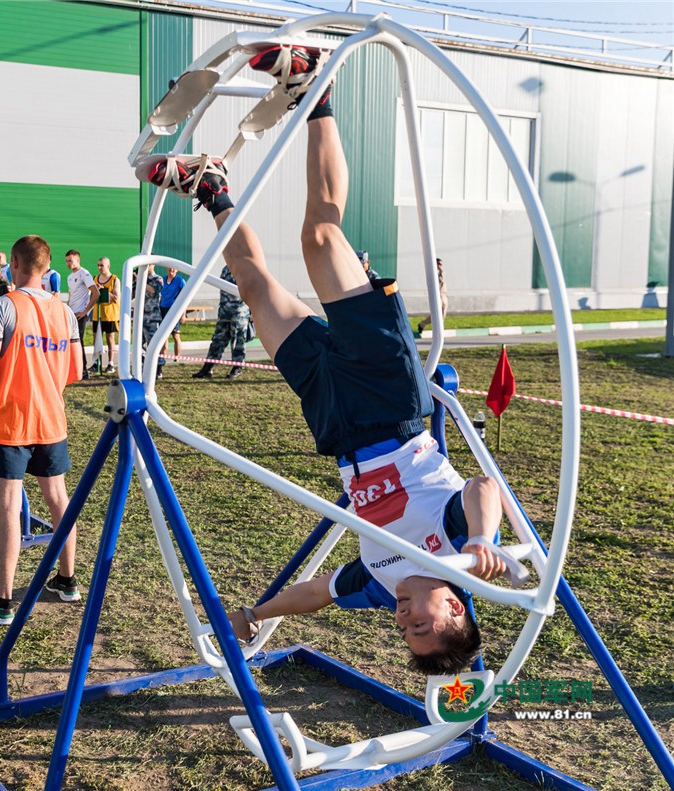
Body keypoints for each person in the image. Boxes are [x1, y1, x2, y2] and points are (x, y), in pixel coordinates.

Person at [141, 45, 509, 674]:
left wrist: (256, 615)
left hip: (337, 426)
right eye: (422, 624)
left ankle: (212, 190)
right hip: (392, 405)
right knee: (319, 237)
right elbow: (483, 488)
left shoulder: (378, 586)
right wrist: (479, 542)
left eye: (406, 633)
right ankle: (316, 89)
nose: (406, 620)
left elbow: (316, 594)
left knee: (256, 295)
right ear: (456, 609)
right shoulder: (461, 554)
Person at [0, 235, 83, 624]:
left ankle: (1, 603)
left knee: (9, 510)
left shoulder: (1, 306)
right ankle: (67, 581)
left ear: (13, 263)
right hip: (51, 419)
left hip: (9, 423)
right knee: (58, 500)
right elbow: (77, 372)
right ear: (48, 267)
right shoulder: (64, 312)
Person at [191, 263, 250, 380]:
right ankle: (208, 367)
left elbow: (250, 290)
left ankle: (237, 367)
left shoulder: (245, 268)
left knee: (238, 341)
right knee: (217, 340)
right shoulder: (226, 269)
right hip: (224, 312)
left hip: (239, 312)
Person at [64, 249, 98, 378]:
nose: (68, 263)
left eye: (71, 261)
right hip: (72, 314)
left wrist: (85, 311)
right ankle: (73, 369)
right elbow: (71, 294)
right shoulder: (70, 276)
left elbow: (96, 293)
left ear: (78, 260)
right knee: (70, 341)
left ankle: (83, 370)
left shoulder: (84, 273)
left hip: (80, 314)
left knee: (78, 342)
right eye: (67, 261)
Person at [91, 257, 120, 374]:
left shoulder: (114, 280)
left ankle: (110, 363)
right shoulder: (95, 278)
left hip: (110, 314)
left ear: (108, 266)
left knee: (110, 338)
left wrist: (105, 291)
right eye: (98, 265)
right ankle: (96, 363)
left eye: (102, 265)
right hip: (97, 313)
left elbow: (117, 298)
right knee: (96, 338)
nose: (99, 267)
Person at [159, 266, 187, 362]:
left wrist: (183, 314)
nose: (172, 270)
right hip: (162, 309)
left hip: (174, 310)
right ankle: (163, 357)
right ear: (166, 269)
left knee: (175, 335)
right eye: (170, 268)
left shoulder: (180, 281)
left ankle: (177, 357)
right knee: (163, 335)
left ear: (177, 270)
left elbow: (185, 298)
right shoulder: (162, 279)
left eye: (174, 268)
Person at [417, 258, 448, 335]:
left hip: (444, 295)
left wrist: (441, 271)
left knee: (443, 315)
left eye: (441, 264)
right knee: (436, 315)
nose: (440, 266)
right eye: (438, 264)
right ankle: (424, 324)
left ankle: (438, 329)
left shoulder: (442, 273)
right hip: (438, 296)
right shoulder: (433, 274)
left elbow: (443, 281)